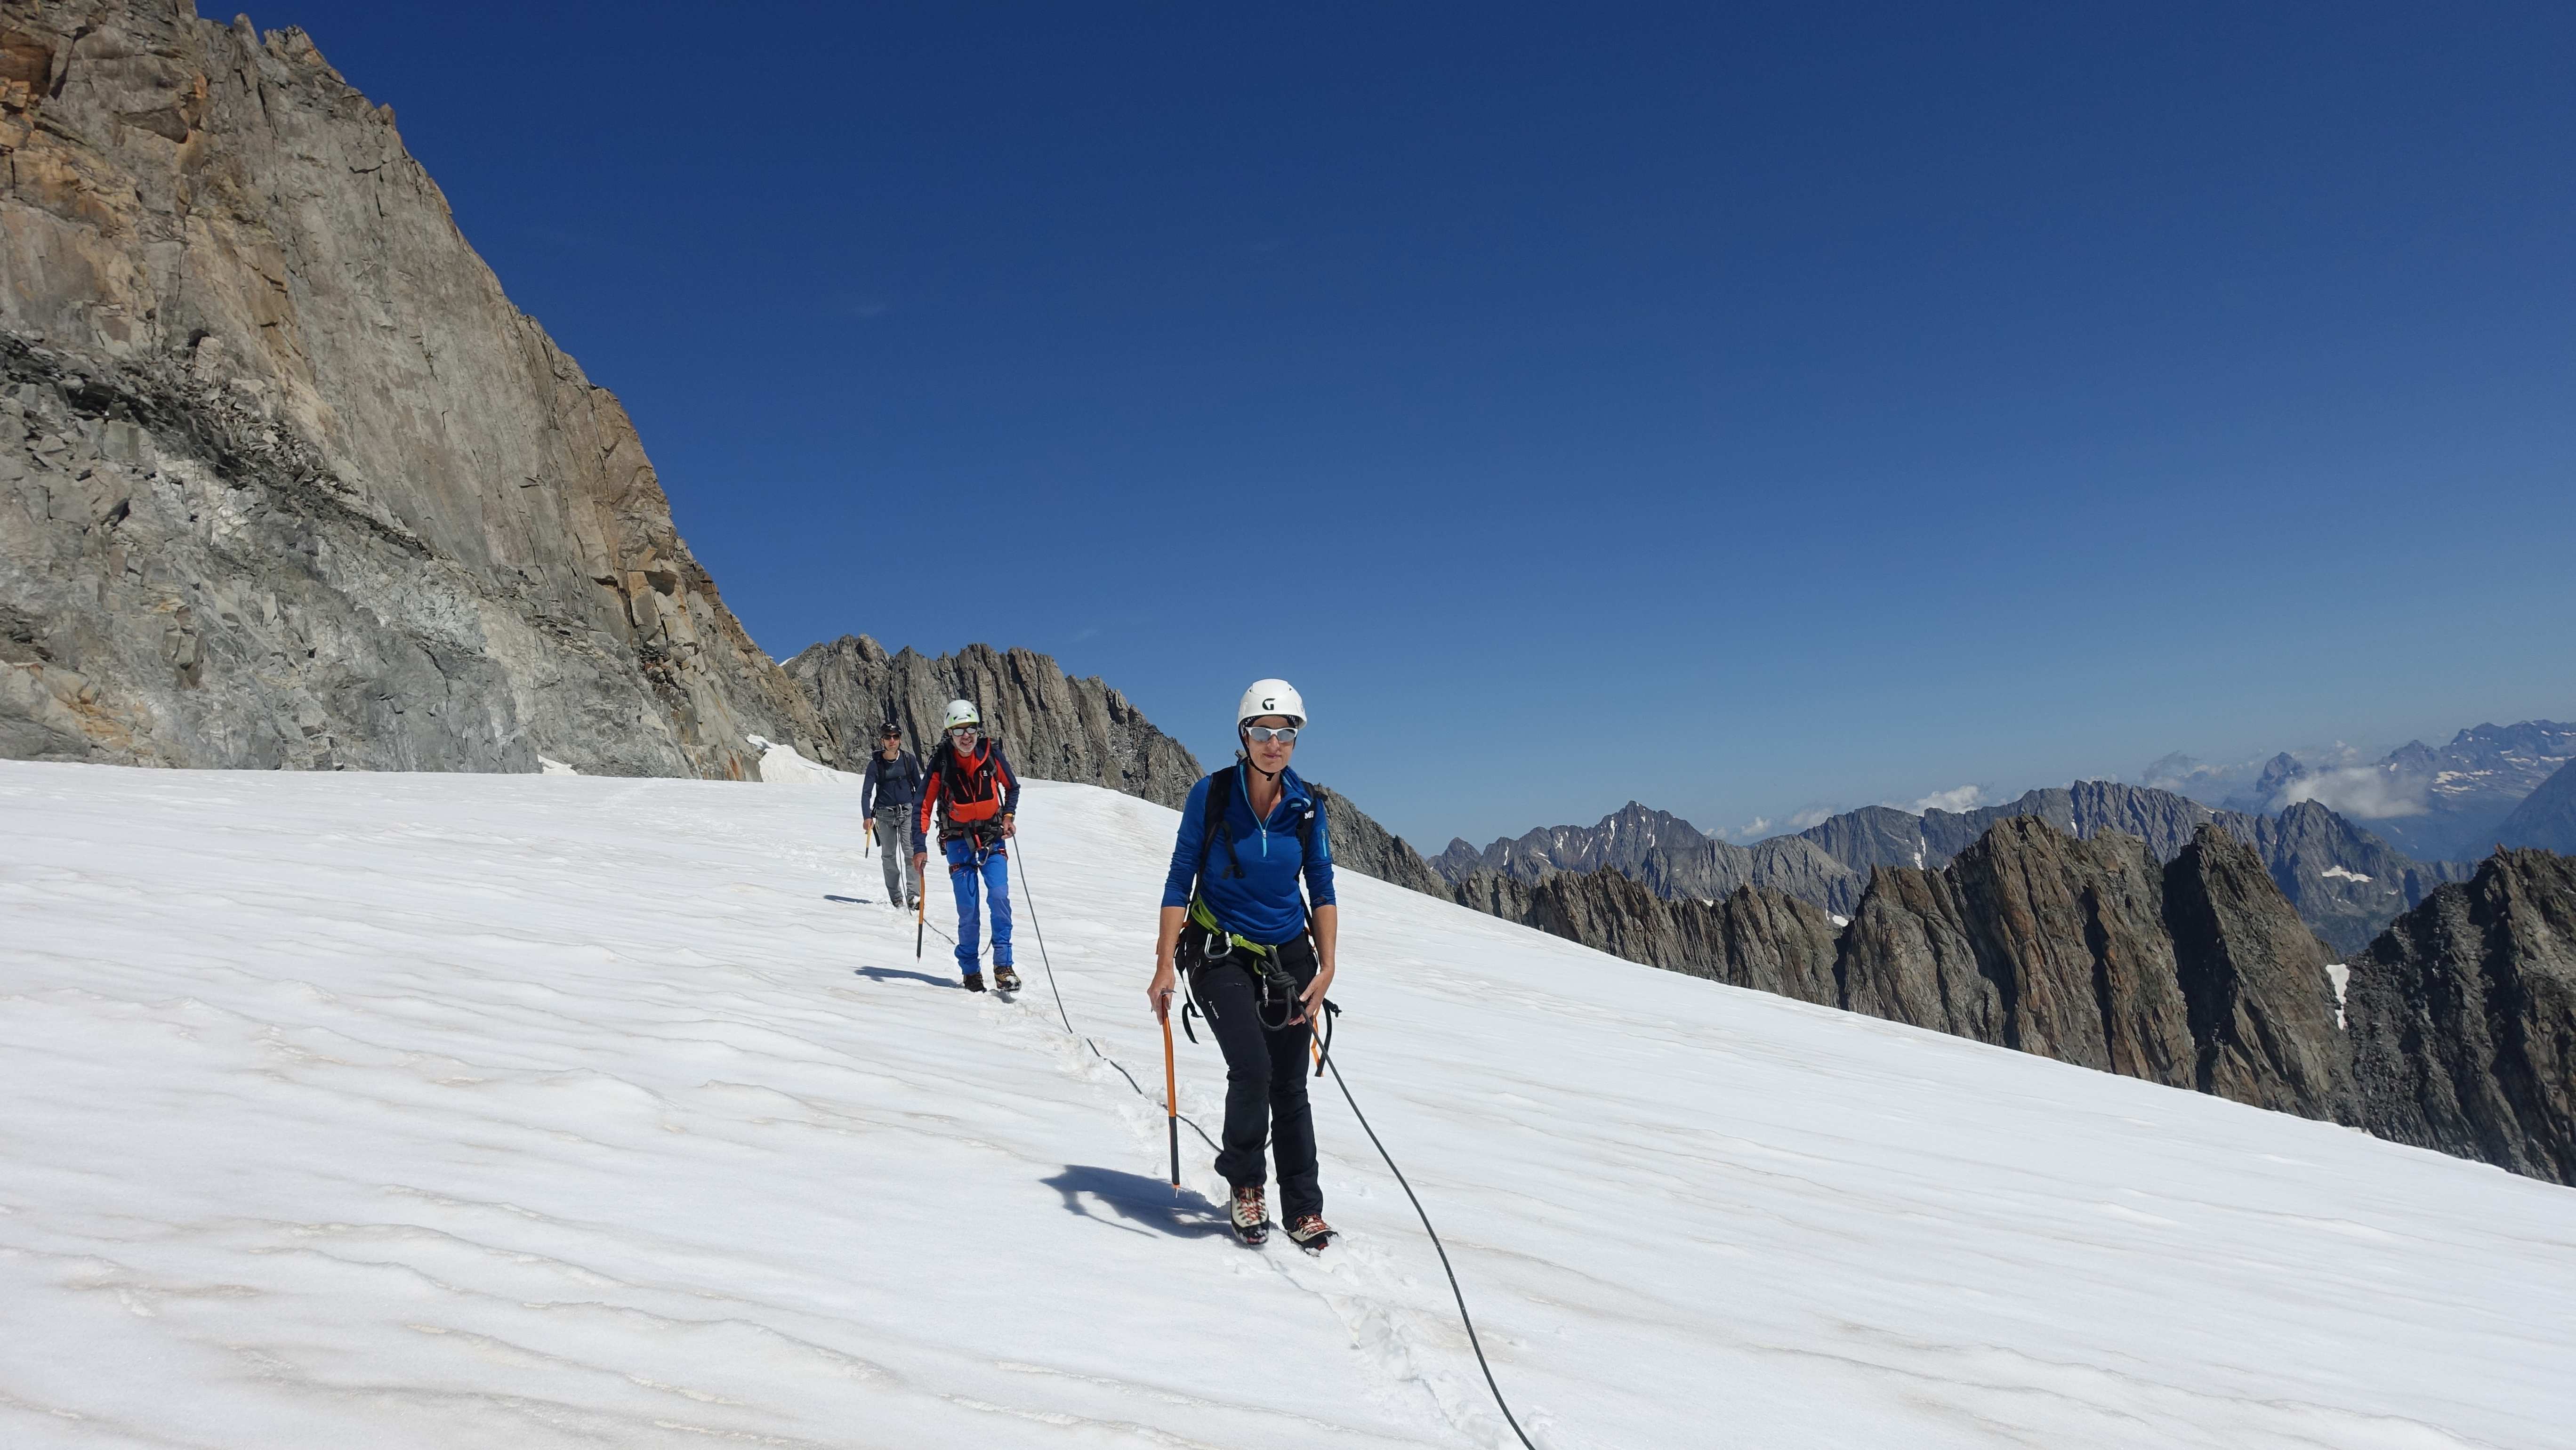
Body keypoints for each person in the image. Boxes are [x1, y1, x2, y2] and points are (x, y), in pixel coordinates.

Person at [1146, 679, 1338, 1249]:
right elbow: (1181, 878)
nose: (1273, 744)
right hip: (1218, 950)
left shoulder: (1307, 808)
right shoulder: (1211, 795)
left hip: (1289, 954)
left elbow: (1322, 887)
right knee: (1253, 1067)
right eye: (1262, 731)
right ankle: (1247, 1184)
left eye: (1285, 734)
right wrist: (1163, 964)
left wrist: (1326, 967)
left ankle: (1304, 1206)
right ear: (1244, 735)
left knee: (1291, 1084)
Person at [913, 698, 1022, 994]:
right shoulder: (942, 761)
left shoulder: (991, 754)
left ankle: (1004, 966)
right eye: (959, 729)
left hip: (991, 837)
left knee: (999, 897)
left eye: (971, 728)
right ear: (949, 732)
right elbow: (923, 804)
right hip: (958, 841)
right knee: (968, 908)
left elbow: (1012, 787)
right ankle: (971, 970)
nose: (966, 736)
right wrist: (919, 846)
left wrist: (1008, 816)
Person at [858, 721, 923, 912]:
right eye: (888, 737)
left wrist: (922, 813)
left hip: (908, 812)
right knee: (889, 856)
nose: (892, 741)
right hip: (884, 816)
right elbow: (866, 793)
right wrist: (866, 817)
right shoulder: (875, 765)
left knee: (911, 853)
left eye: (895, 737)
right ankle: (896, 897)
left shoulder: (909, 761)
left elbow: (919, 789)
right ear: (882, 741)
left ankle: (914, 896)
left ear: (900, 739)